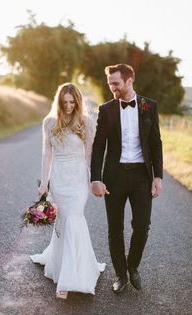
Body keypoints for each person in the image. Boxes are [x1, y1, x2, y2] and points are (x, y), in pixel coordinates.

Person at [91, 64, 163, 293]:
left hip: (142, 175)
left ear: (129, 80)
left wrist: (158, 176)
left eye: (116, 83)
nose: (112, 87)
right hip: (114, 176)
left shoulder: (148, 106)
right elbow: (98, 145)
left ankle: (133, 267)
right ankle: (121, 275)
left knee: (142, 226)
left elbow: (155, 142)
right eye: (110, 83)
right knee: (115, 229)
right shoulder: (106, 110)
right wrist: (96, 178)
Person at [30, 83, 105, 299]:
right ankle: (62, 266)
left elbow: (89, 155)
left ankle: (70, 280)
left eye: (73, 102)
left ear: (78, 102)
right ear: (59, 102)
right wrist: (44, 184)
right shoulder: (49, 122)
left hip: (78, 178)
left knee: (74, 218)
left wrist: (94, 180)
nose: (69, 105)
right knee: (62, 221)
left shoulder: (86, 122)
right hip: (59, 179)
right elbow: (47, 155)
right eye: (65, 102)